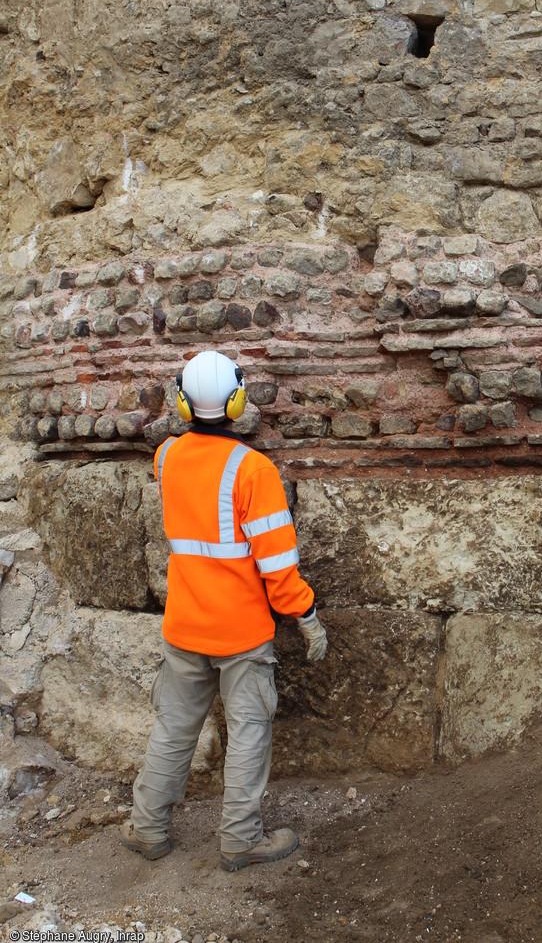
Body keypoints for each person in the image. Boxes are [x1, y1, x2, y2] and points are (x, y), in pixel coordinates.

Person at [119, 349, 327, 871]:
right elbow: (277, 565)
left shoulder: (165, 457)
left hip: (185, 626)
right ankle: (240, 840)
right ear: (238, 401)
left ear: (183, 403)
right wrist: (306, 616)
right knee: (249, 731)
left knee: (173, 728)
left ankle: (148, 828)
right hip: (240, 633)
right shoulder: (253, 470)